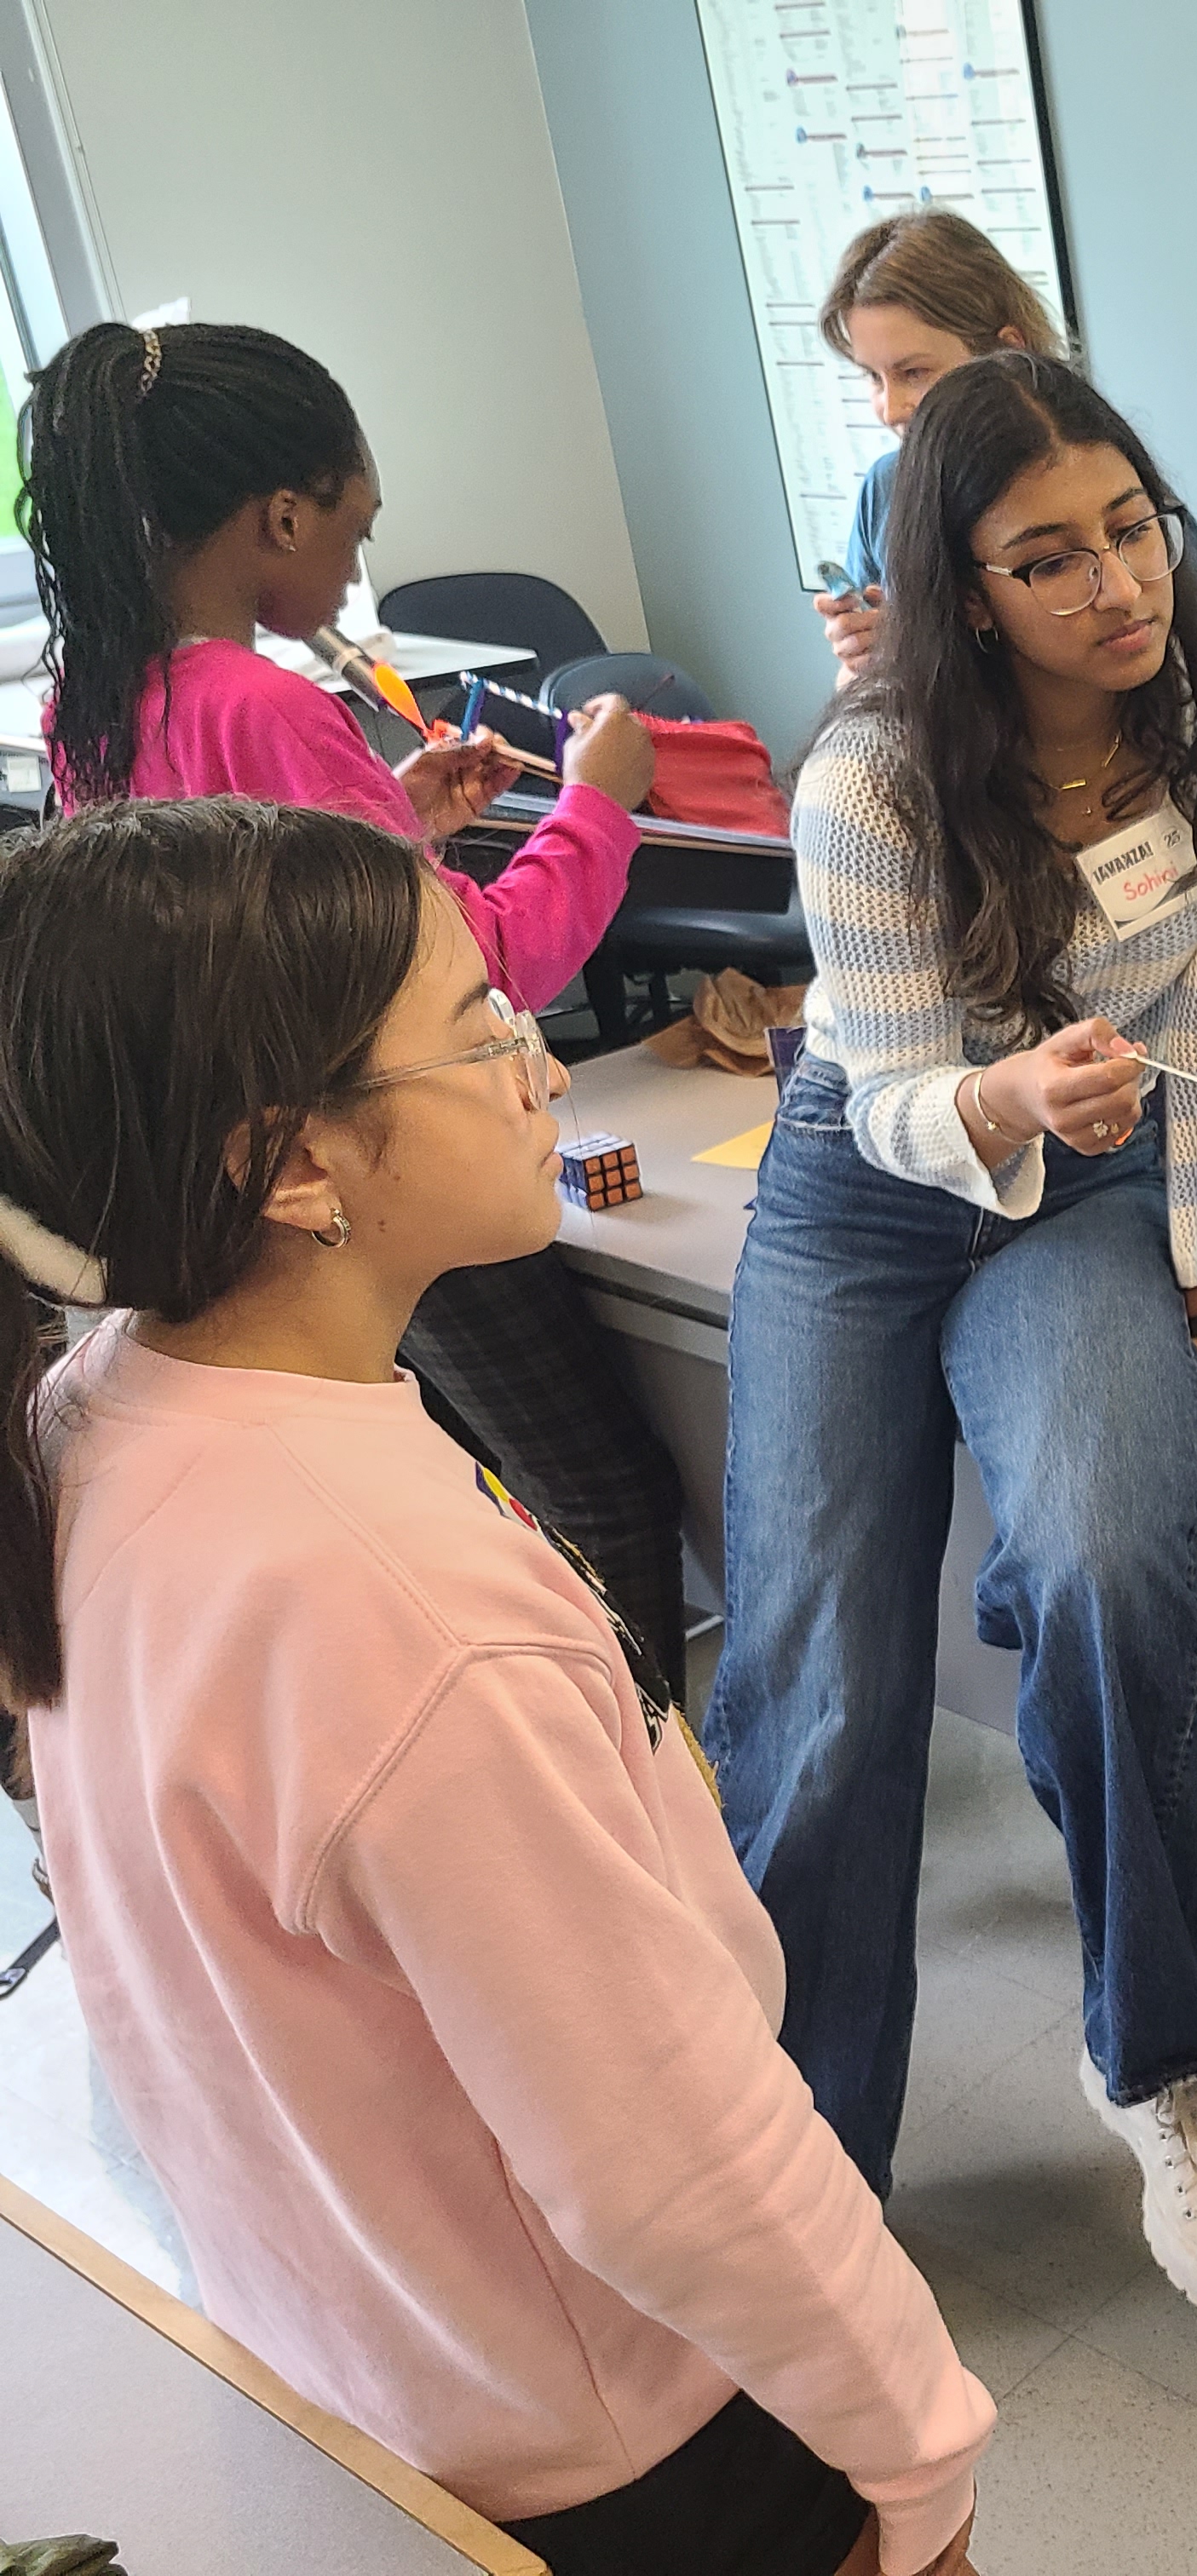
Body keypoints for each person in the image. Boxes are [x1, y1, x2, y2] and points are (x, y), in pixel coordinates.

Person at [0, 797, 992, 2576]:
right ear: (290, 1163)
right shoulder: (393, 1614)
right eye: (480, 1030)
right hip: (617, 2423)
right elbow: (668, 2165)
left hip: (375, 2355)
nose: (540, 1069)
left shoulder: (100, 1411)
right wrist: (920, 2465)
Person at [708, 351, 1197, 2319]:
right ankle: (804, 2162)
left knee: (1115, 1564)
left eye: (1132, 527)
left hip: (1106, 1166)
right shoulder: (871, 774)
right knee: (823, 1678)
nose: (1118, 586)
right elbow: (884, 1093)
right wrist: (998, 1106)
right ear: (964, 593)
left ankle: (1160, 2061)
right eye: (1050, 561)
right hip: (879, 1172)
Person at [16, 319, 689, 1710]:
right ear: (278, 516)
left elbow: (250, 939)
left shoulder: (103, 704)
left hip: (262, 1184)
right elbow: (482, 967)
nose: (352, 568)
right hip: (389, 1157)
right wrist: (599, 801)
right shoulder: (263, 702)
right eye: (352, 529)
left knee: (443, 1469)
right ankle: (633, 1789)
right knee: (608, 1502)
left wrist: (400, 819)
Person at [813, 207, 1062, 681]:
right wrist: (862, 654)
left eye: (914, 373)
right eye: (873, 377)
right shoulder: (886, 488)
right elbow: (855, 691)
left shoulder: (1088, 482)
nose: (891, 408)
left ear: (1008, 353)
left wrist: (916, 646)